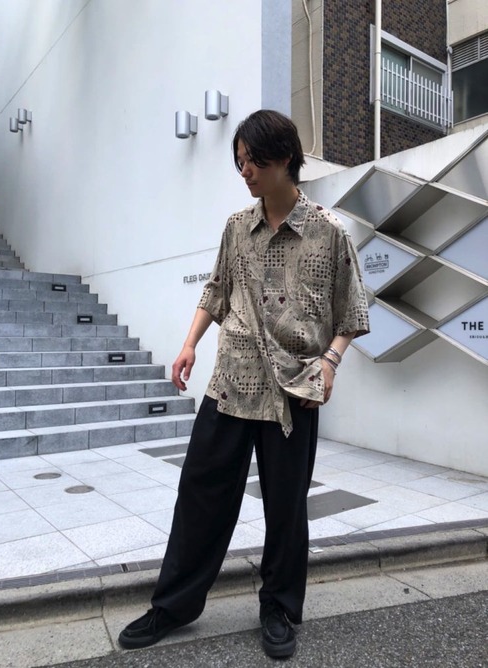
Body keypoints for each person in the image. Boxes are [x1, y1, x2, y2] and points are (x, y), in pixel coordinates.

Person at [118, 109, 369, 659]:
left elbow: (352, 312)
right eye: (239, 161)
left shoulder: (328, 232)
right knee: (200, 496)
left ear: (285, 158)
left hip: (294, 391)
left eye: (253, 160)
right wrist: (189, 344)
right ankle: (173, 605)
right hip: (231, 382)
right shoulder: (236, 227)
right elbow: (216, 290)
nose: (245, 171)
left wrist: (330, 362)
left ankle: (278, 608)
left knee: (286, 506)